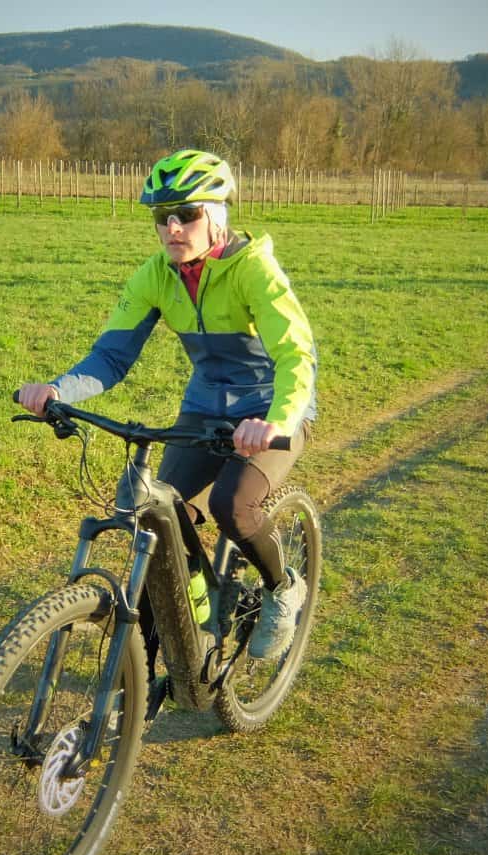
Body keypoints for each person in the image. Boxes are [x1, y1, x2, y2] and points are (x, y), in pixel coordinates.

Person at [17, 149, 317, 659]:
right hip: (205, 409)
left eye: (188, 214)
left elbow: (296, 355)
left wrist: (275, 421)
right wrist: (58, 391)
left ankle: (282, 589)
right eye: (163, 216)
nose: (173, 227)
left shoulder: (254, 271)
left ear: (216, 215)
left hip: (270, 409)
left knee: (231, 506)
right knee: (155, 514)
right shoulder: (155, 275)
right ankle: (181, 634)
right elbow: (111, 355)